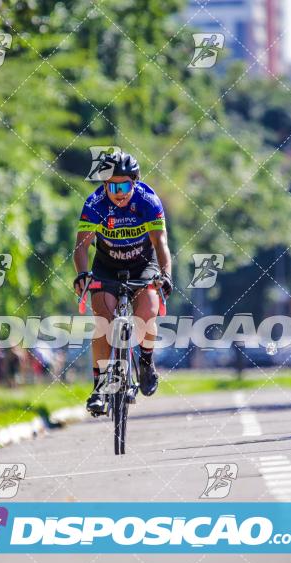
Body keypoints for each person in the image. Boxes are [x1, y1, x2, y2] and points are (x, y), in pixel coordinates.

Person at [73, 151, 173, 416]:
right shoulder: (95, 204)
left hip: (143, 265)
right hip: (106, 266)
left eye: (125, 185)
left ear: (135, 182)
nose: (119, 192)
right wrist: (82, 275)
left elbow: (160, 244)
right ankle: (99, 387)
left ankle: (146, 361)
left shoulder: (148, 201)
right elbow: (81, 247)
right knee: (102, 321)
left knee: (149, 310)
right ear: (104, 185)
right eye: (112, 186)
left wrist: (166, 275)